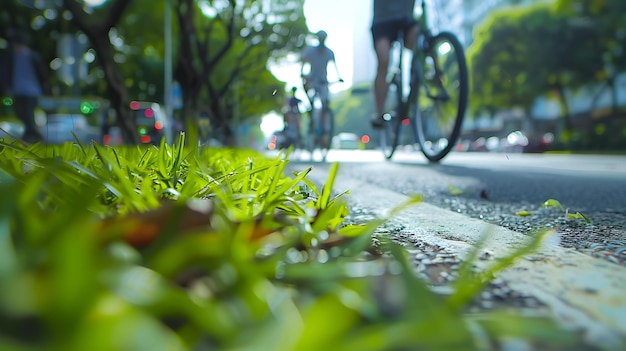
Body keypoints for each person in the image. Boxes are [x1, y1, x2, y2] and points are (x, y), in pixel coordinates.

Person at [370, 0, 418, 128]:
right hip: (383, 21)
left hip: (405, 20)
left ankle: (433, 75)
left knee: (422, 42)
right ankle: (379, 112)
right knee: (384, 61)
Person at [0, 29, 49, 143]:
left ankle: (33, 135)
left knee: (27, 113)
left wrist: (45, 87)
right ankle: (30, 134)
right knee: (21, 112)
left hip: (31, 90)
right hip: (18, 89)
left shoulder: (32, 56)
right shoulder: (11, 57)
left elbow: (42, 73)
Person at [300, 30, 343, 114]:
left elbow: (335, 66)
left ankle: (324, 123)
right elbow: (304, 62)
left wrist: (339, 77)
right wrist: (302, 73)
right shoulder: (311, 51)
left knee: (325, 103)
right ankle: (310, 103)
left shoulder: (329, 53)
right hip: (312, 78)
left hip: (323, 79)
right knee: (305, 84)